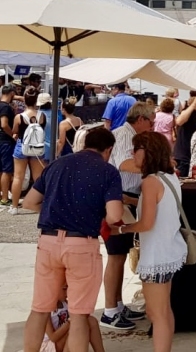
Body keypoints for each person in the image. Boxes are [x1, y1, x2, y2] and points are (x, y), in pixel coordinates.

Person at [21, 127, 123, 352]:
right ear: (108, 150)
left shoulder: (57, 164)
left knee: (39, 309)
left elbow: (28, 202)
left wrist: (56, 211)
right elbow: (115, 215)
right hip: (82, 244)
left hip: (48, 241)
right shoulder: (108, 172)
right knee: (78, 316)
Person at [117, 132, 185, 352]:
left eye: (135, 149)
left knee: (157, 313)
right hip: (169, 250)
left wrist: (121, 228)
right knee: (163, 311)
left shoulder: (150, 181)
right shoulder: (169, 175)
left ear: (146, 152)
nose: (132, 153)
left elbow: (146, 223)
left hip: (157, 254)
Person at [102, 102, 155, 331]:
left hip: (128, 197)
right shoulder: (124, 134)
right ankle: (109, 311)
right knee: (115, 256)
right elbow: (124, 164)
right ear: (141, 119)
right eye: (151, 121)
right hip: (120, 199)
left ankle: (118, 304)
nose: (152, 125)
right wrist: (154, 168)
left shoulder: (130, 135)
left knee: (121, 255)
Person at [9, 87, 47, 215]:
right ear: (37, 101)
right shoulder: (42, 116)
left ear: (24, 100)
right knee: (38, 178)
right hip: (37, 147)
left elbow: (15, 131)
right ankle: (41, 203)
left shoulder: (19, 116)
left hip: (22, 146)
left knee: (18, 177)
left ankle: (14, 207)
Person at [38, 285, 107, 352]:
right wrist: (70, 322)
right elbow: (53, 338)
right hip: (50, 345)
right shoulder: (46, 310)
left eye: (68, 288)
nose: (68, 292)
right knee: (76, 328)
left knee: (91, 321)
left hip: (64, 339)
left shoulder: (65, 303)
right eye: (64, 289)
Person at [172, 92, 196, 178]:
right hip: (183, 155)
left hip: (194, 157)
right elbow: (179, 121)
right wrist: (194, 103)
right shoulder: (189, 111)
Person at [0, 85, 15, 207]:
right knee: (6, 170)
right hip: (5, 141)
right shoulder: (6, 108)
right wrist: (12, 135)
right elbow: (4, 124)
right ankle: (5, 197)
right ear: (11, 93)